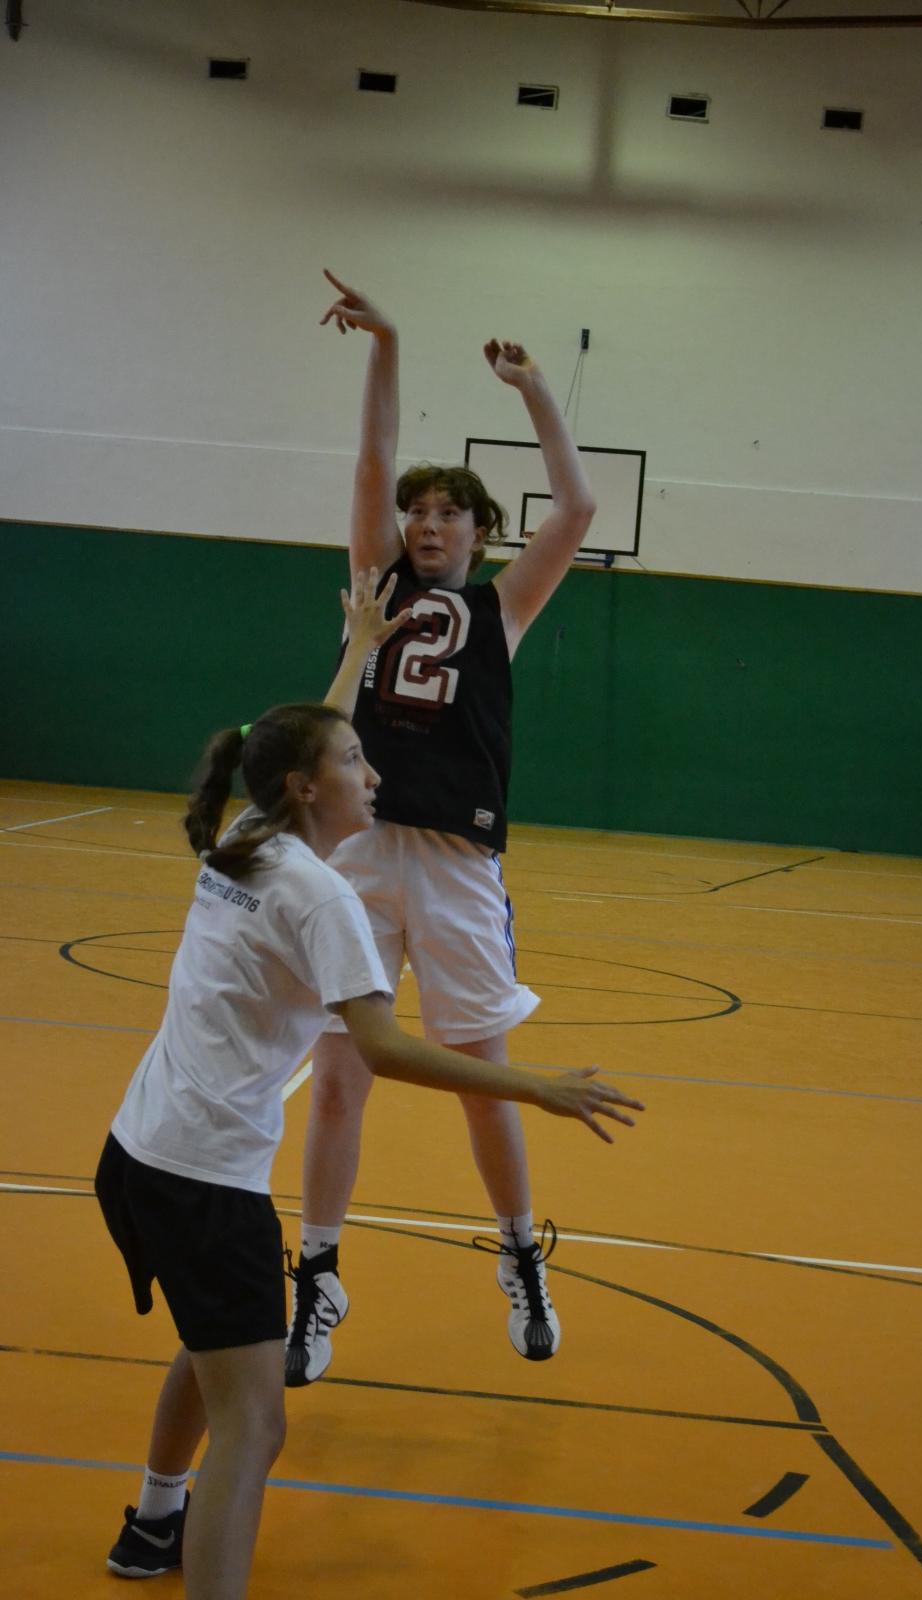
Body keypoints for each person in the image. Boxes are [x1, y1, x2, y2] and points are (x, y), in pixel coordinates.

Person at [95, 576, 642, 1598]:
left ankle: (154, 1523)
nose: (374, 769)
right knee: (255, 1427)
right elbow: (383, 1049)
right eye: (353, 760)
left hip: (134, 1153)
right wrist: (534, 1087)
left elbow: (309, 732)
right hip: (206, 1181)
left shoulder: (245, 837)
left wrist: (357, 645)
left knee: (214, 1345)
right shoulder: (321, 898)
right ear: (308, 788)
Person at [286, 270, 600, 1386]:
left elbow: (577, 510)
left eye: (448, 513)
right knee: (339, 1076)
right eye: (417, 512)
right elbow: (371, 461)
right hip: (360, 853)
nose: (425, 523)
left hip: (461, 863)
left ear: (479, 533)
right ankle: (319, 1276)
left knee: (480, 1074)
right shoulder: (373, 581)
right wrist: (387, 342)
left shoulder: (501, 607)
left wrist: (534, 390)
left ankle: (519, 1252)